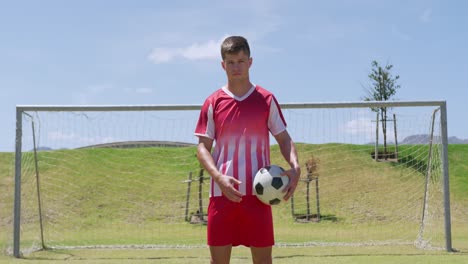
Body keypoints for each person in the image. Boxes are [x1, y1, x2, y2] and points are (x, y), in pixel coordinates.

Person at [194, 35, 301, 264]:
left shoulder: (266, 99)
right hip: (222, 194)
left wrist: (295, 166)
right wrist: (219, 177)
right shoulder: (213, 102)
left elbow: (283, 138)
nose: (236, 67)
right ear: (223, 65)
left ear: (250, 62)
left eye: (241, 61)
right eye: (231, 62)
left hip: (259, 196)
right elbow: (202, 148)